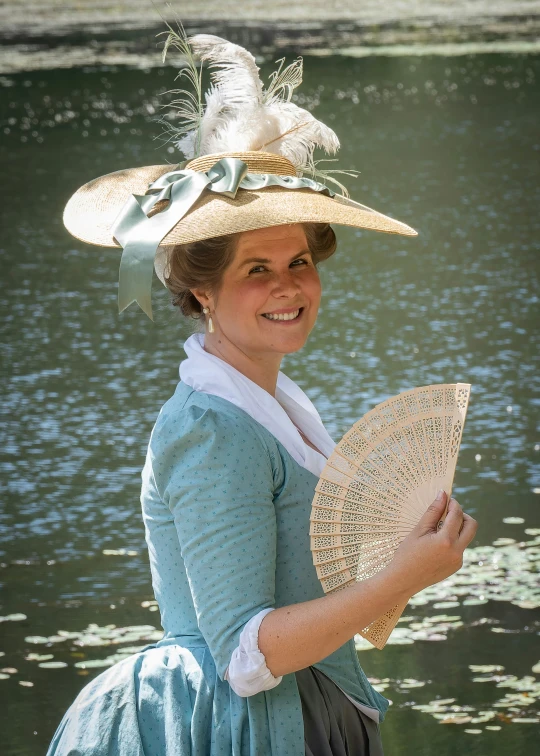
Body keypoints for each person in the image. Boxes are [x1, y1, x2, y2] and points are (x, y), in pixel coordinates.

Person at [47, 32, 478, 756]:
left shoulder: (273, 405)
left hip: (313, 705)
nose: (288, 286)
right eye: (256, 268)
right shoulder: (210, 430)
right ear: (200, 291)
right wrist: (400, 576)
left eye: (299, 261)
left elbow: (305, 587)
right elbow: (246, 655)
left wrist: (406, 554)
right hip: (236, 727)